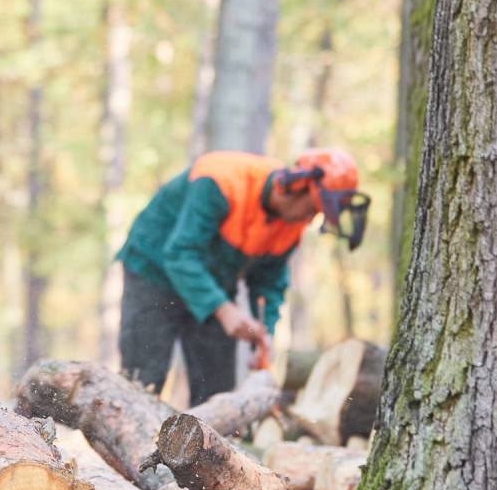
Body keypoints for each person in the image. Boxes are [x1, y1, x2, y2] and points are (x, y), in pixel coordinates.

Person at [115, 148, 369, 405]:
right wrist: (225, 311)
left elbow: (269, 282)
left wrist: (264, 336)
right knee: (143, 378)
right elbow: (180, 254)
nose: (310, 218)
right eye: (312, 209)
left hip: (213, 283)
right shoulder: (221, 182)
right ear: (296, 187)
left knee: (216, 388)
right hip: (154, 271)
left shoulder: (292, 225)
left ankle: (206, 443)